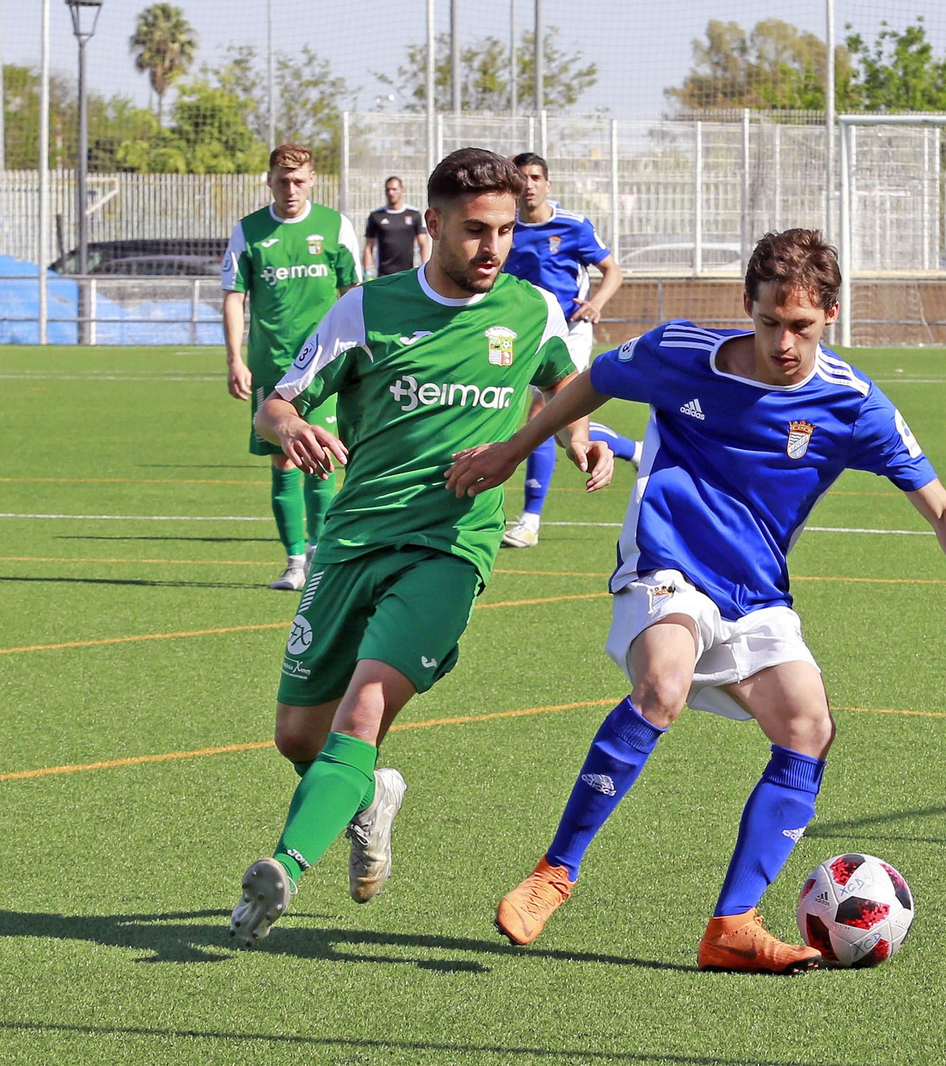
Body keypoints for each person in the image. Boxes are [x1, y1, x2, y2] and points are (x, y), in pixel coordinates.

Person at [448, 228, 946, 974]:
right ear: (744, 307)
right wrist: (513, 449)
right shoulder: (681, 352)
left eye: (802, 327)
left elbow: (943, 509)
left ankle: (732, 926)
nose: (784, 342)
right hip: (667, 563)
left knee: (809, 726)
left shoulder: (853, 406)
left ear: (832, 316)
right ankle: (555, 871)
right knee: (663, 682)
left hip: (756, 591)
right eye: (769, 323)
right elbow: (592, 380)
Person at [228, 147, 615, 947]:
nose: (494, 248)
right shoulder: (367, 309)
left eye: (506, 231)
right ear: (434, 224)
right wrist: (293, 424)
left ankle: (283, 868)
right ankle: (368, 799)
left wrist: (579, 437)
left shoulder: (531, 310)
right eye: (476, 231)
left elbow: (562, 383)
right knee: (299, 737)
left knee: (364, 707)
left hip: (450, 547)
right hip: (353, 541)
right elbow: (276, 404)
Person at [223, 144, 361, 591]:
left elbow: (354, 292)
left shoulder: (335, 227)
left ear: (313, 179)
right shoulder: (249, 231)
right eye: (282, 181)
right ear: (268, 180)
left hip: (323, 369)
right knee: (283, 461)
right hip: (269, 367)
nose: (290, 189)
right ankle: (294, 561)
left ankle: (321, 555)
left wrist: (359, 355)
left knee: (321, 458)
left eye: (299, 180)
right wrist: (234, 358)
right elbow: (234, 296)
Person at [498, 151, 640, 550]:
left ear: (547, 183)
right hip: (522, 335)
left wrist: (596, 303)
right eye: (521, 177)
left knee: (545, 412)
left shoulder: (573, 226)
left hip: (570, 335)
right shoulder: (505, 227)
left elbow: (613, 269)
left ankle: (529, 522)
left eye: (535, 176)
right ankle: (636, 451)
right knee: (563, 431)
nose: (528, 184)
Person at [363, 176, 430, 278]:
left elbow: (423, 243)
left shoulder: (414, 214)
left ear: (402, 190)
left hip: (408, 274)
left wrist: (425, 266)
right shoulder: (376, 216)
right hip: (384, 275)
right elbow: (369, 246)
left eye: (394, 189)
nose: (391, 193)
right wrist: (366, 270)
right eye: (388, 189)